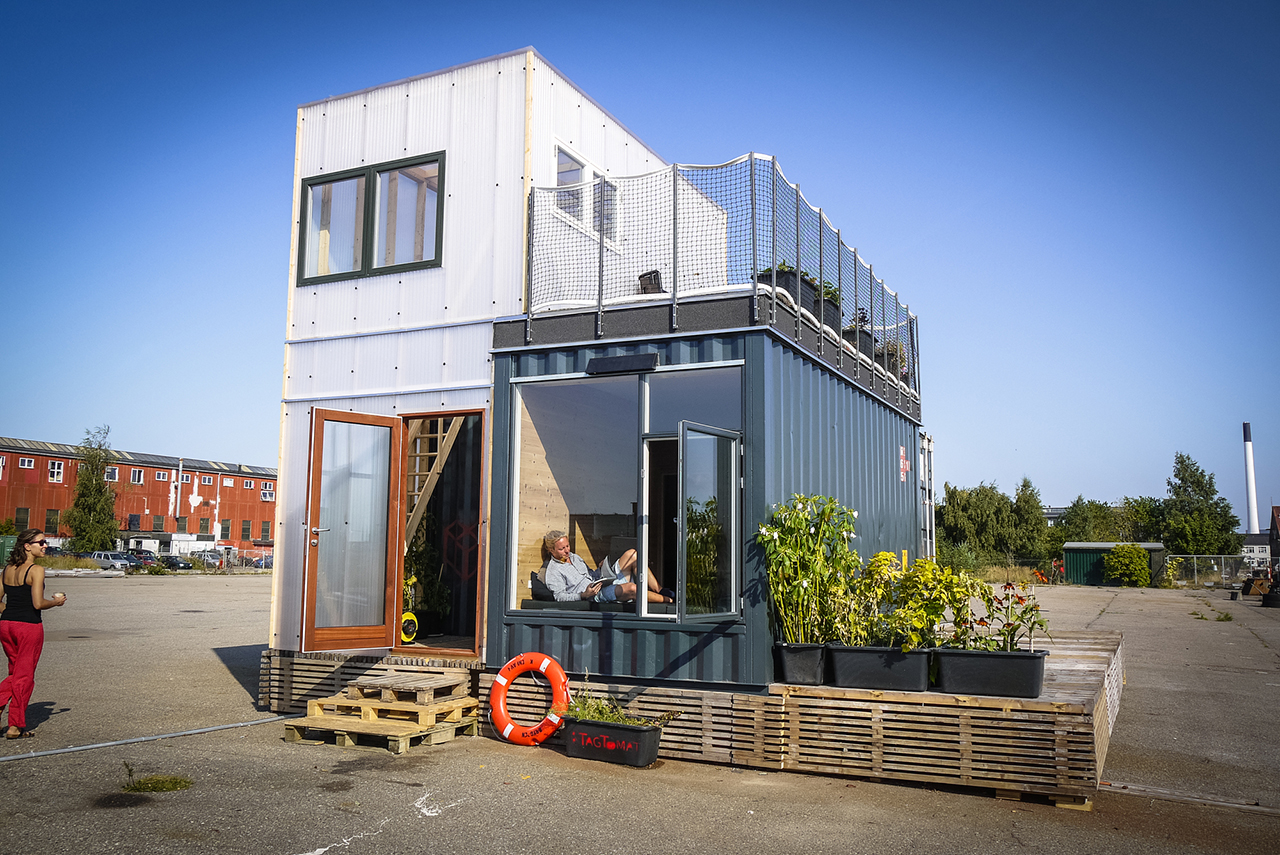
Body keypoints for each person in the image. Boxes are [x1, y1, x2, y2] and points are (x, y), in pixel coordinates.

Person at [1, 529, 67, 739]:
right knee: (24, 676)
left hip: (6, 625)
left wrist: (10, 612)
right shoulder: (36, 570)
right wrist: (56, 602)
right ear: (27, 546)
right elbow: (38, 603)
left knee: (15, 673)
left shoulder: (7, 569)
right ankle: (15, 726)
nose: (45, 545)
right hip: (28, 627)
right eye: (41, 542)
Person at [541, 531, 673, 604]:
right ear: (551, 550)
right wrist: (583, 595)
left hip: (602, 580)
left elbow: (590, 574)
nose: (567, 551)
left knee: (632, 554)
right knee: (632, 588)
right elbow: (559, 597)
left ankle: (660, 590)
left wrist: (601, 568)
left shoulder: (575, 557)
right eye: (562, 549)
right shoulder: (553, 571)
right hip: (595, 596)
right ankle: (669, 601)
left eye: (567, 546)